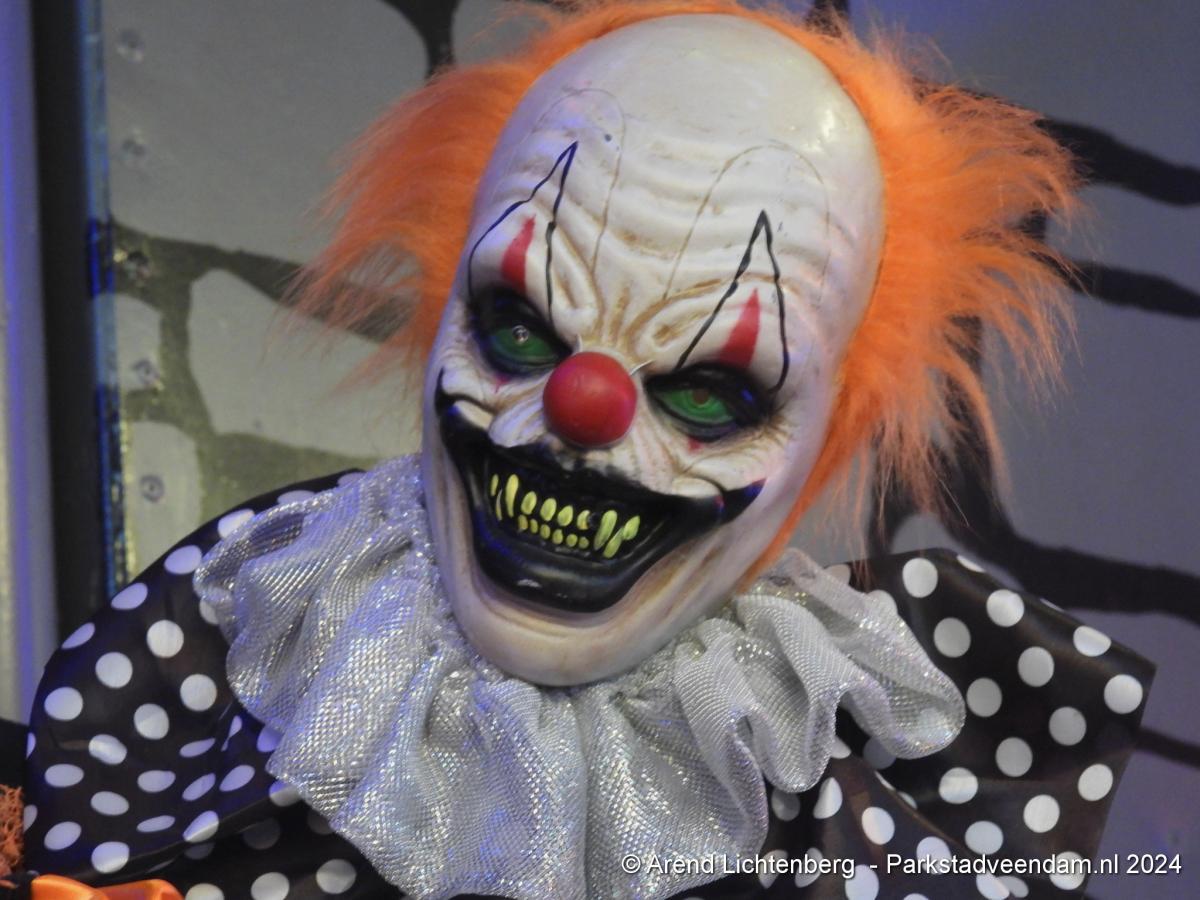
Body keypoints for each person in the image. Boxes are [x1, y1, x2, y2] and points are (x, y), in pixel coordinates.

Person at [9, 3, 1151, 898]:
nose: (584, 408)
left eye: (709, 392)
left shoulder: (835, 772)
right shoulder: (263, 624)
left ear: (824, 434)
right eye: (518, 327)